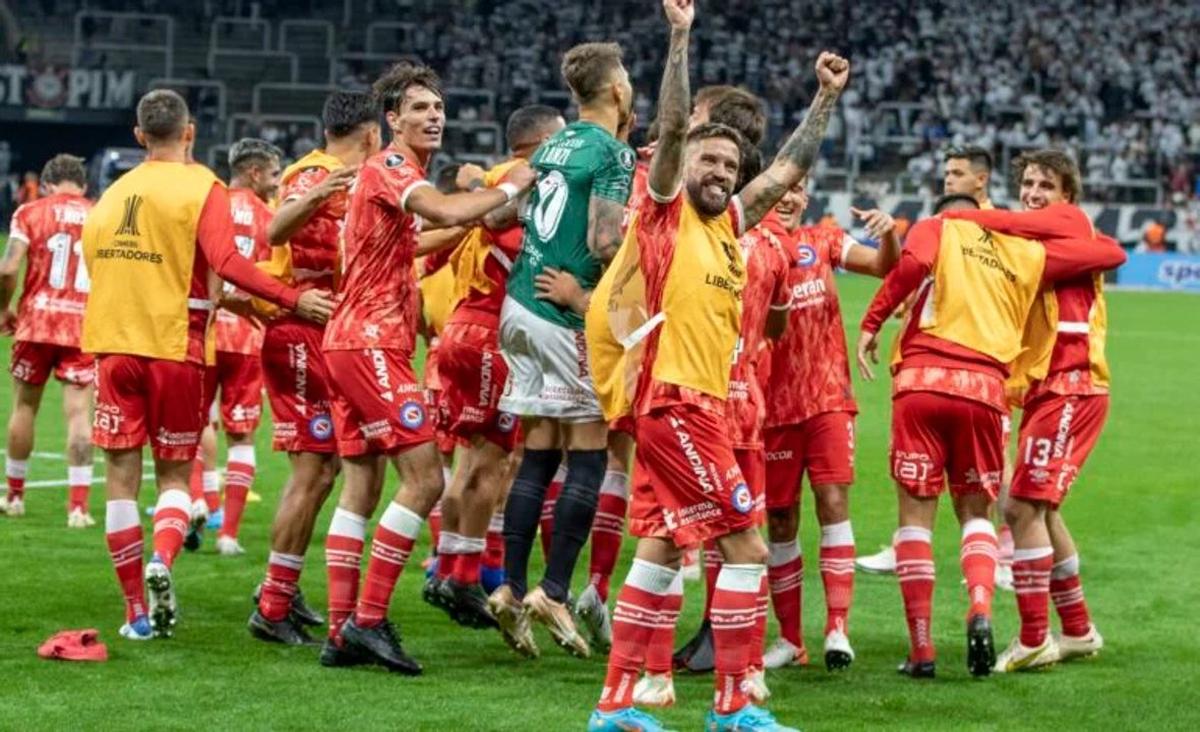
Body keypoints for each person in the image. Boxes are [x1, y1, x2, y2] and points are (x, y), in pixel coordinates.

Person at [588, 1, 847, 728]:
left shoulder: (729, 222)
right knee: (747, 548)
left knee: (661, 549)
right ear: (684, 165)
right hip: (675, 401)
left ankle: (615, 707)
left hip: (696, 406)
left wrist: (825, 98)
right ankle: (734, 706)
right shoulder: (664, 211)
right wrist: (679, 37)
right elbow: (673, 126)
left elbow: (787, 168)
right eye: (710, 160)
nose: (720, 172)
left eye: (730, 166)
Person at [82, 89, 333, 641]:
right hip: (175, 346)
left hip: (114, 347)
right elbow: (228, 262)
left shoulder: (111, 194)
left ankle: (135, 614)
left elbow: (93, 262)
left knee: (120, 481)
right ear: (190, 132)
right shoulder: (203, 186)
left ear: (139, 136)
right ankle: (162, 560)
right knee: (175, 475)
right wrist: (292, 299)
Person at [855, 191, 1126, 679]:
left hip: (921, 381)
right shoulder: (1022, 252)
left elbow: (911, 266)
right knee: (979, 513)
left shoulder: (937, 227)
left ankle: (922, 651)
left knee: (916, 518)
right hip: (985, 389)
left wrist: (871, 323)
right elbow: (1107, 252)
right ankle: (981, 607)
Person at [318, 62, 534, 674]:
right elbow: (440, 211)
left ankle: (340, 631)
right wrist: (513, 187)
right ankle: (368, 622)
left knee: (361, 490)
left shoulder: (389, 175)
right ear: (392, 119)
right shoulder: (391, 166)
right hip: (369, 343)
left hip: (352, 342)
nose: (433, 116)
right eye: (419, 108)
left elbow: (414, 240)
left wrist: (471, 216)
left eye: (438, 107)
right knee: (425, 480)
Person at [939, 150, 1118, 672]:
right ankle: (1078, 630)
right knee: (1042, 511)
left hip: (1072, 383)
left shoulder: (1067, 226)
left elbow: (1097, 249)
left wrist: (963, 218)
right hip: (1047, 388)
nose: (1034, 193)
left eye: (1046, 185)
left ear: (1067, 197)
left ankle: (1035, 637)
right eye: (1029, 184)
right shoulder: (1033, 245)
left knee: (1019, 509)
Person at [488, 37, 636, 661]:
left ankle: (510, 586)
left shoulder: (554, 144)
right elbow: (604, 243)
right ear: (617, 89)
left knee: (540, 449)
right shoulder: (612, 151)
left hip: (520, 303)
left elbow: (503, 212)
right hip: (562, 311)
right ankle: (552, 591)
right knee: (590, 452)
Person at [746, 179, 900, 674]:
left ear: (808, 197)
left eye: (798, 189)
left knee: (833, 502)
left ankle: (837, 628)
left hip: (828, 399)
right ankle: (790, 640)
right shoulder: (748, 246)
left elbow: (883, 266)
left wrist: (888, 234)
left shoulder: (825, 240)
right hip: (772, 408)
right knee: (781, 520)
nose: (789, 198)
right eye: (780, 190)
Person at [423, 104, 566, 631]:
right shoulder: (529, 182)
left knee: (468, 462)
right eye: (562, 138)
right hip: (491, 335)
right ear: (542, 142)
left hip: (460, 330)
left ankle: (449, 568)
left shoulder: (491, 184)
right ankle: (464, 578)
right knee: (494, 463)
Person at [249, 91, 381, 646]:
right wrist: (319, 192)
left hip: (327, 332)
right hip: (301, 333)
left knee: (328, 472)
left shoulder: (348, 176)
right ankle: (272, 605)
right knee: (314, 473)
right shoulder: (317, 172)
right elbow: (276, 230)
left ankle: (281, 589)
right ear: (371, 133)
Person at [857, 143, 1000, 576]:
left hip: (961, 361)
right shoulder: (957, 219)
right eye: (947, 172)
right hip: (967, 366)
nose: (948, 179)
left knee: (988, 470)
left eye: (957, 173)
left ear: (981, 180)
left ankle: (1010, 546)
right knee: (952, 467)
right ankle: (922, 543)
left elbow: (918, 266)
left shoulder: (988, 226)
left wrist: (874, 319)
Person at [0, 155, 95, 525]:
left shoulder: (30, 212)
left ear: (47, 184)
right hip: (83, 326)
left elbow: (8, 268)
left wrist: (3, 309)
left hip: (37, 322)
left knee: (24, 407)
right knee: (79, 414)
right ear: (83, 186)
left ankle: (14, 496)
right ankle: (78, 508)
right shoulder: (100, 215)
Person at [206, 138, 283, 556]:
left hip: (204, 329)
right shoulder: (273, 219)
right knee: (242, 437)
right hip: (248, 335)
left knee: (196, 423)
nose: (276, 184)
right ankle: (228, 535)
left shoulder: (208, 204)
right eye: (273, 175)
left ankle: (200, 504)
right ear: (254, 172)